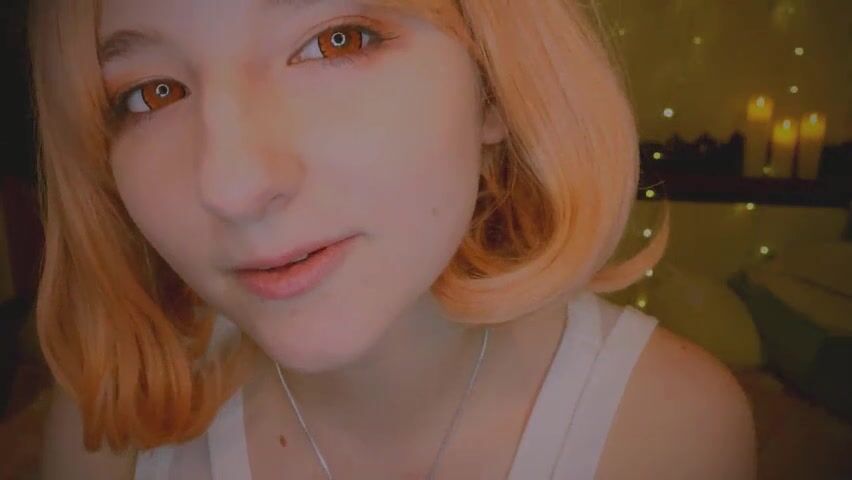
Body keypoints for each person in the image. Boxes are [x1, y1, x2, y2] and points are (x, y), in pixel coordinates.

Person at [29, 0, 756, 478]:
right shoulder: (114, 432)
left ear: (495, 88)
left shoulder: (669, 432)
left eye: (334, 41)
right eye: (152, 93)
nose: (231, 185)